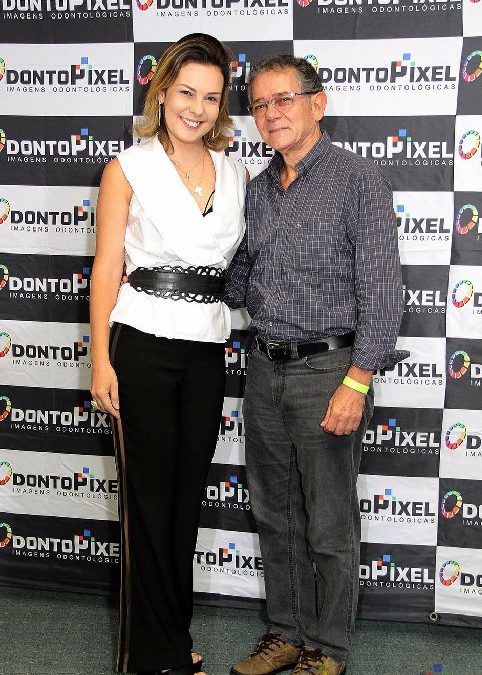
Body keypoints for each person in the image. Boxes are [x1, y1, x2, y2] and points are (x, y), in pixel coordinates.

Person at [224, 54, 408, 675]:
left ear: (317, 103)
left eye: (284, 99)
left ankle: (327, 648)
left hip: (329, 372)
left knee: (328, 521)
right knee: (275, 515)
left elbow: (382, 290)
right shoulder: (256, 190)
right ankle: (285, 633)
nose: (270, 114)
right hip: (263, 368)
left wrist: (358, 380)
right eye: (259, 104)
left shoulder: (358, 179)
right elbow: (239, 280)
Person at [90, 34, 246, 675]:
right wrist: (101, 360)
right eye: (186, 92)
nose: (197, 108)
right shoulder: (128, 168)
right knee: (147, 503)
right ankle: (149, 656)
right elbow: (107, 268)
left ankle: (172, 641)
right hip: (142, 342)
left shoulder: (235, 171)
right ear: (160, 93)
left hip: (206, 347)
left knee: (184, 503)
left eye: (210, 97)